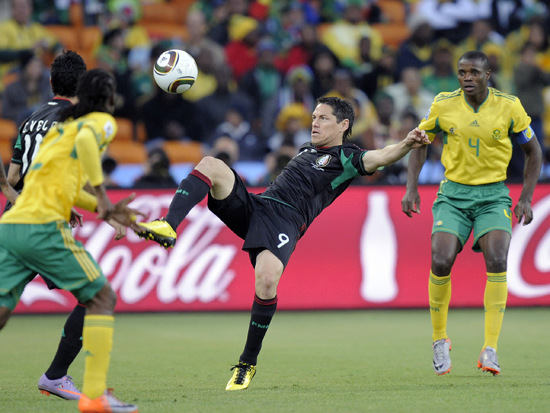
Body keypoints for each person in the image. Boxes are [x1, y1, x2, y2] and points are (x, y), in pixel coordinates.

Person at [135, 96, 430, 390]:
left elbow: (380, 157)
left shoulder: (348, 158)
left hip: (285, 222)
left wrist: (406, 144)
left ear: (343, 125)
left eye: (323, 118)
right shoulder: (306, 149)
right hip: (258, 206)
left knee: (265, 281)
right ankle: (168, 225)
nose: (314, 122)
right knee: (211, 164)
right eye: (314, 116)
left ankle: (247, 363)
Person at [0, 68, 143, 413]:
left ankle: (65, 381)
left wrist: (103, 210)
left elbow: (50, 183)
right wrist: (106, 202)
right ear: (109, 99)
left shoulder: (57, 130)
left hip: (12, 224)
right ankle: (94, 396)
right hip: (44, 229)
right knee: (101, 296)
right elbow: (85, 146)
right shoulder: (99, 123)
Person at [401, 51, 542, 377]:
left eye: (474, 72)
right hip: (453, 195)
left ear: (488, 74)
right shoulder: (443, 104)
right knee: (440, 260)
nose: (467, 78)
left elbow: (534, 152)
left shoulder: (509, 107)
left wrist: (526, 197)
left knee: (497, 259)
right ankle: (439, 340)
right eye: (462, 72)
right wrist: (411, 187)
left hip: (493, 195)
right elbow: (420, 142)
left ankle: (490, 348)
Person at [4, 50, 88, 401]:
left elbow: (12, 178)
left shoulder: (29, 119)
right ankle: (55, 376)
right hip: (46, 227)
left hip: (14, 224)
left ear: (51, 82)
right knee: (94, 297)